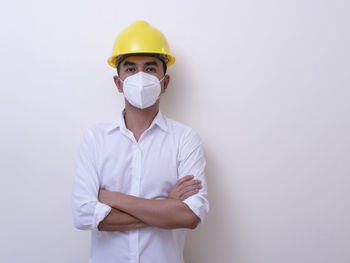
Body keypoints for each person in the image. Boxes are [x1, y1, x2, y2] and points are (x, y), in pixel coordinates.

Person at [72, 21, 209, 263]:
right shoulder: (95, 138)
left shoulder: (185, 139)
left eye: (150, 68)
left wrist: (113, 198)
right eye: (131, 69)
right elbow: (84, 215)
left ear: (164, 82)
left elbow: (190, 216)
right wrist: (167, 208)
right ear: (118, 83)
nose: (141, 77)